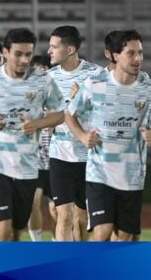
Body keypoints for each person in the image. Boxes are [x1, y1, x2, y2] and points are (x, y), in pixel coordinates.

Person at [0, 28, 65, 241]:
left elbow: (60, 115)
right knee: (3, 228)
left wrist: (37, 123)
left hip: (26, 167)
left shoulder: (43, 81)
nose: (24, 60)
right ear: (6, 52)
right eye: (18, 54)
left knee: (16, 230)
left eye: (28, 54)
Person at [66, 30, 151, 241]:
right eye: (131, 53)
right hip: (100, 174)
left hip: (132, 176)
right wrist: (83, 137)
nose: (138, 58)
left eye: (140, 52)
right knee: (102, 232)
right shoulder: (94, 85)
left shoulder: (146, 88)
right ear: (113, 55)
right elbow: (69, 114)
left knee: (125, 238)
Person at [47, 26, 103, 241]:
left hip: (89, 155)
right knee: (64, 216)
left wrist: (84, 100)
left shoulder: (95, 74)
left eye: (54, 46)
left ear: (70, 49)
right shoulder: (48, 78)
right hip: (59, 153)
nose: (49, 51)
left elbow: (106, 110)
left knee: (81, 218)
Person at [27, 54, 55, 242]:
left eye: (44, 70)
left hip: (57, 162)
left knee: (57, 210)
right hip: (34, 163)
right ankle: (37, 244)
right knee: (33, 203)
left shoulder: (59, 99)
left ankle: (56, 243)